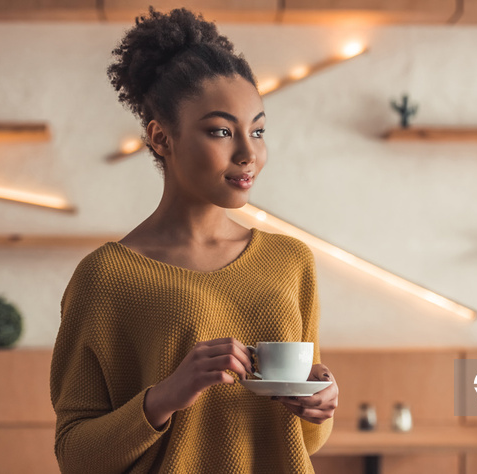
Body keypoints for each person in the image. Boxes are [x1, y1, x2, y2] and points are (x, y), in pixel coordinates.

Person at [49, 6, 338, 474]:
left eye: (258, 130)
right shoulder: (105, 278)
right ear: (161, 138)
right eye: (221, 131)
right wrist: (164, 397)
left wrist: (319, 406)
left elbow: (305, 441)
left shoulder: (291, 262)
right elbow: (76, 456)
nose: (249, 153)